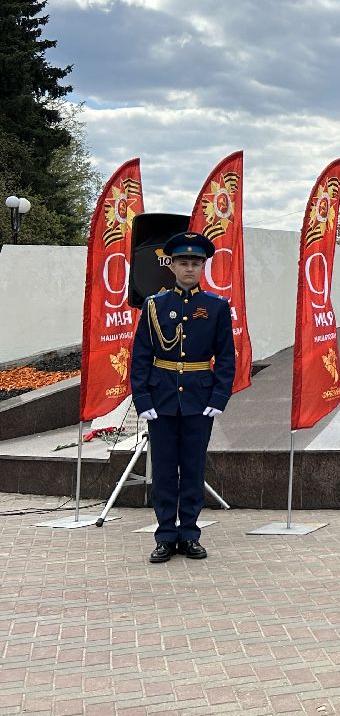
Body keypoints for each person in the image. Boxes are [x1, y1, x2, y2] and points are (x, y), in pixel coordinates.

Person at [130, 232, 235, 563]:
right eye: (183, 262)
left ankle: (189, 533)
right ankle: (164, 535)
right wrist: (143, 400)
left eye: (195, 263)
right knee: (163, 470)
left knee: (192, 468)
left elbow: (227, 358)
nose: (189, 268)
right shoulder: (154, 305)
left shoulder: (216, 307)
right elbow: (141, 357)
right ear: (172, 265)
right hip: (161, 399)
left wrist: (218, 397)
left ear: (203, 266)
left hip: (198, 400)